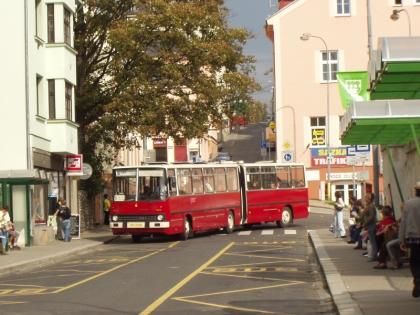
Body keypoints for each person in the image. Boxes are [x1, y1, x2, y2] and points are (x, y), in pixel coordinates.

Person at [399, 182, 420, 298]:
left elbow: (404, 222)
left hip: (414, 237)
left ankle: (417, 277)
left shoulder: (409, 204)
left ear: (416, 190)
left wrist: (402, 240)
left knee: (415, 260)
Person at [363, 192, 378, 262]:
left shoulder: (371, 206)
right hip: (370, 225)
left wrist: (365, 223)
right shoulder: (369, 205)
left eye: (365, 197)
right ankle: (374, 255)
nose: (364, 198)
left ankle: (374, 256)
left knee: (372, 241)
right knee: (371, 241)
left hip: (371, 225)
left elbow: (371, 216)